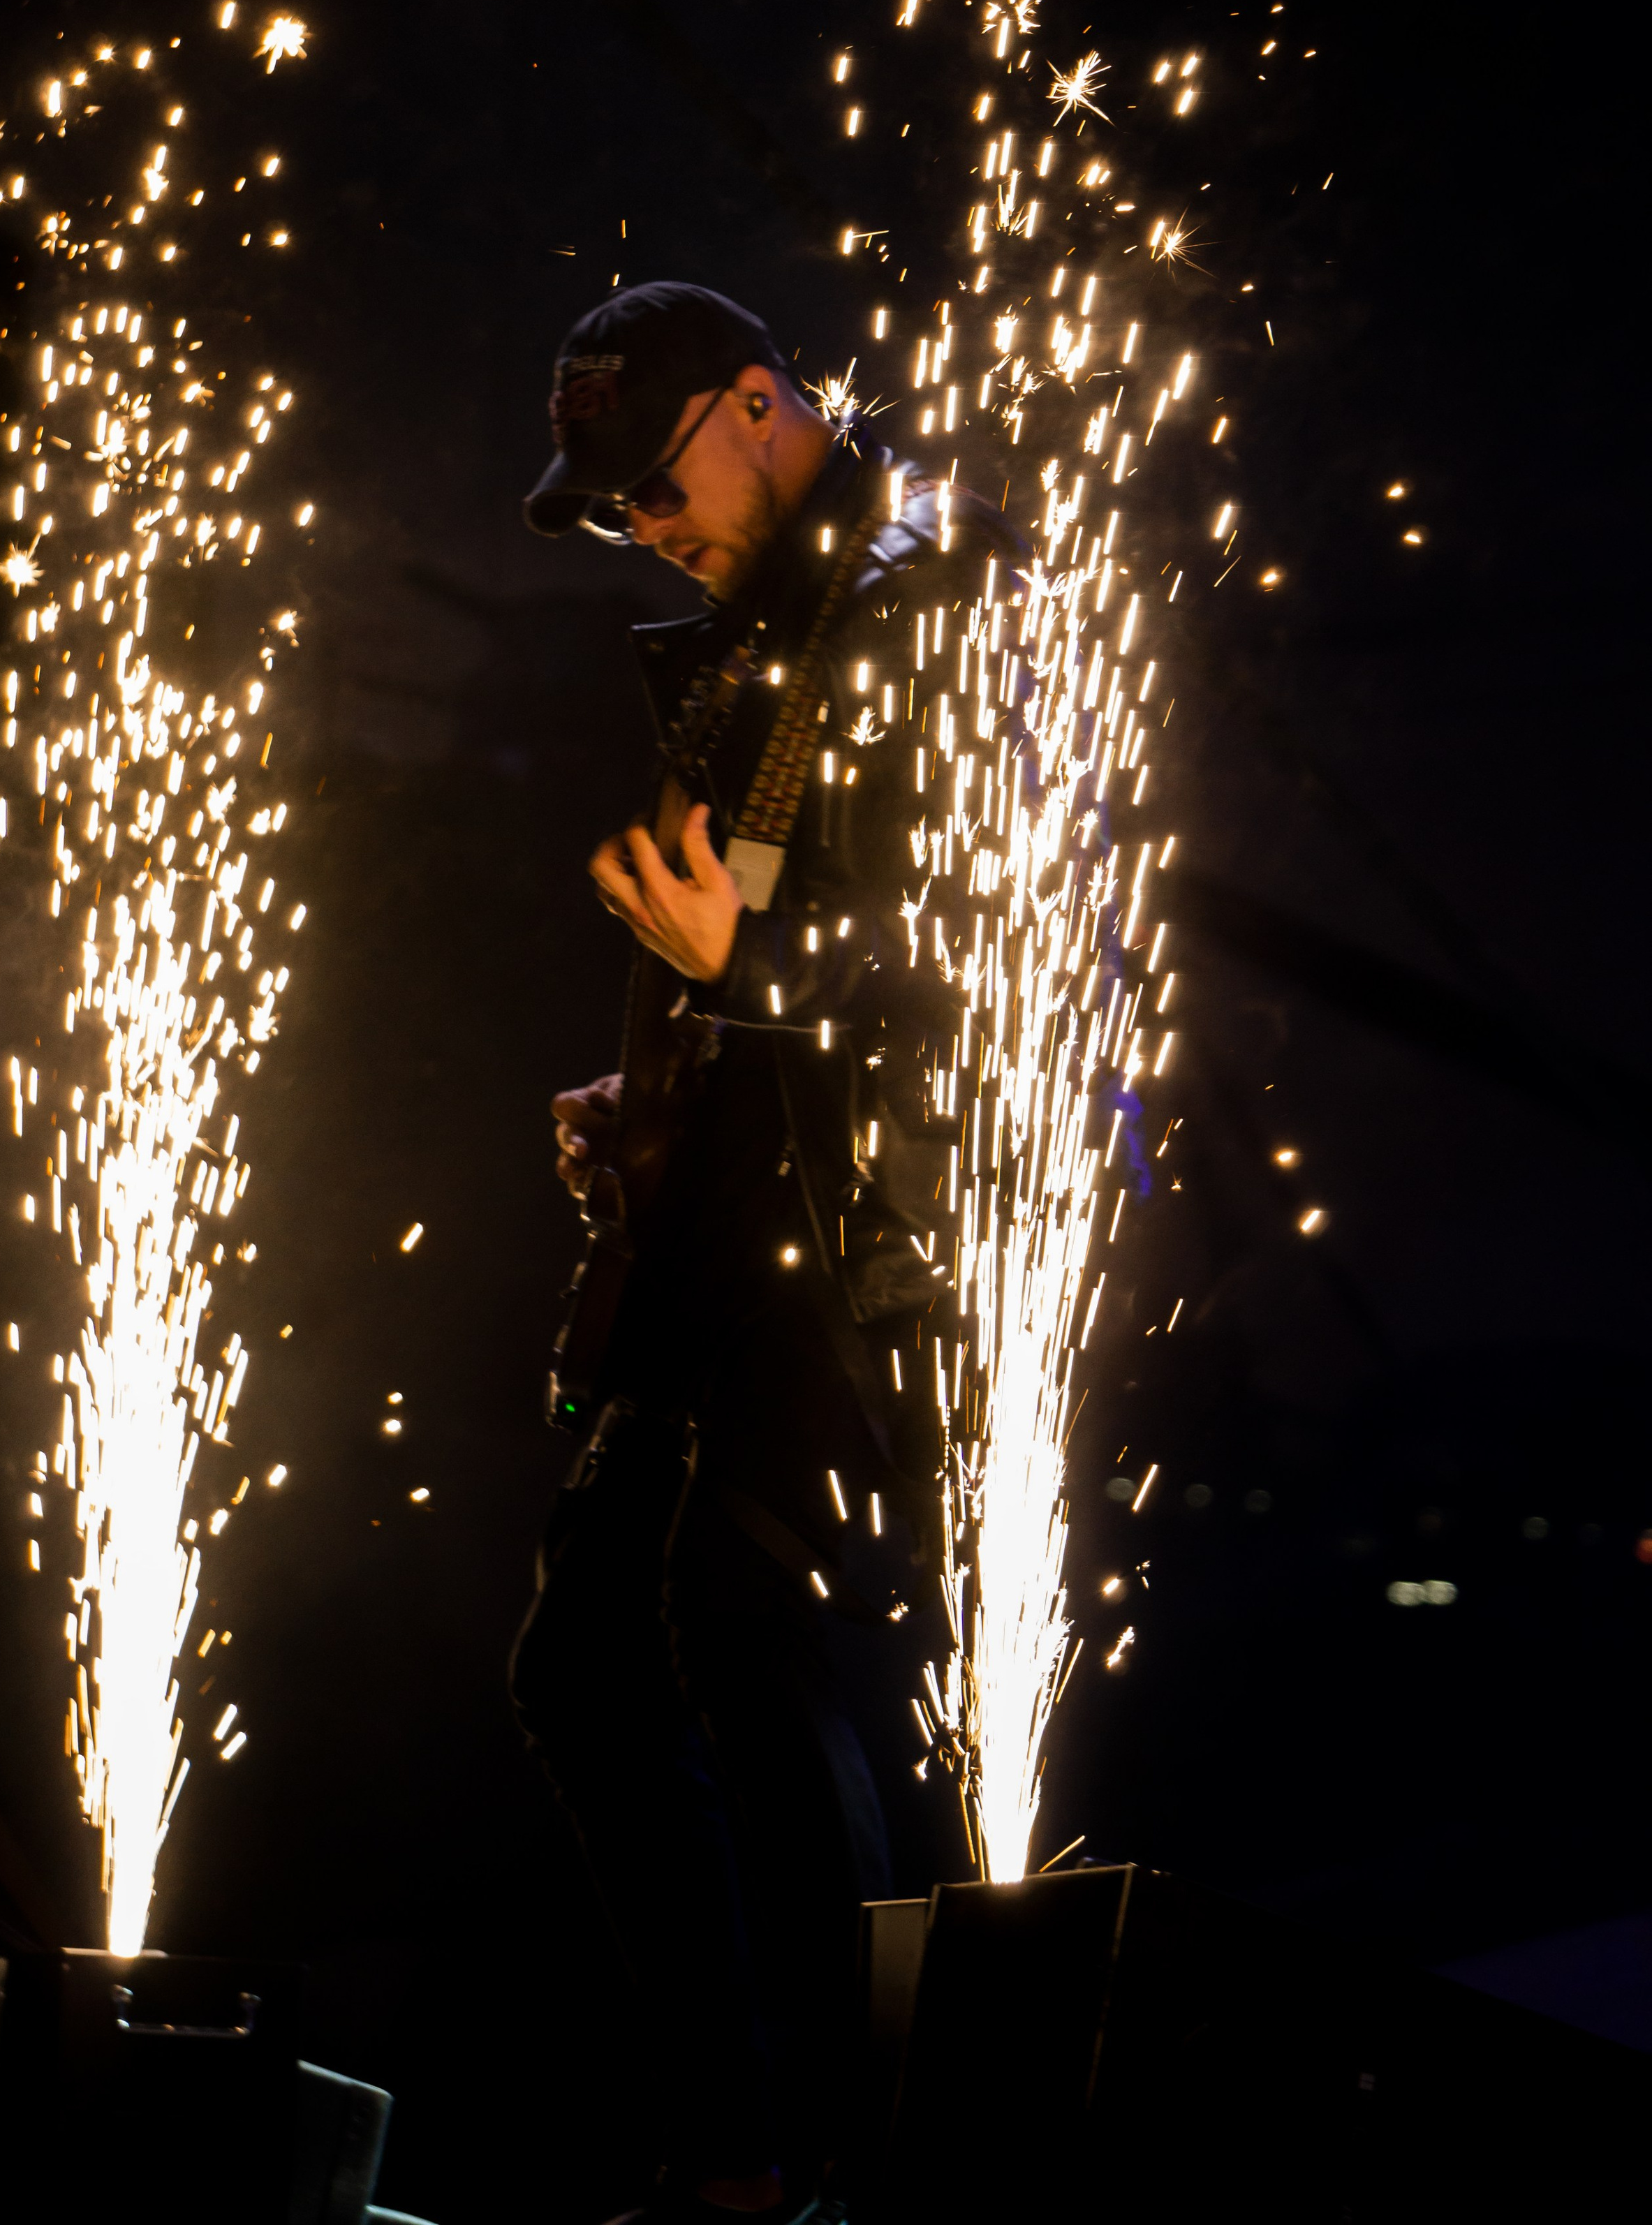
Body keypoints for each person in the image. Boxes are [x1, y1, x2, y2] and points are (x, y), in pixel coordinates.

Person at [509, 282, 1020, 2225]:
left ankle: (837, 2162)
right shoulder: (743, 648)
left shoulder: (921, 597)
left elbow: (999, 955)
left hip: (851, 1244)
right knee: (582, 1662)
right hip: (709, 1235)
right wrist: (638, 1104)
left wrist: (752, 975)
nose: (648, 528)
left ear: (758, 406)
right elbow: (740, 947)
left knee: (752, 1646)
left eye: (657, 486)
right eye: (616, 509)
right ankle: (745, 2150)